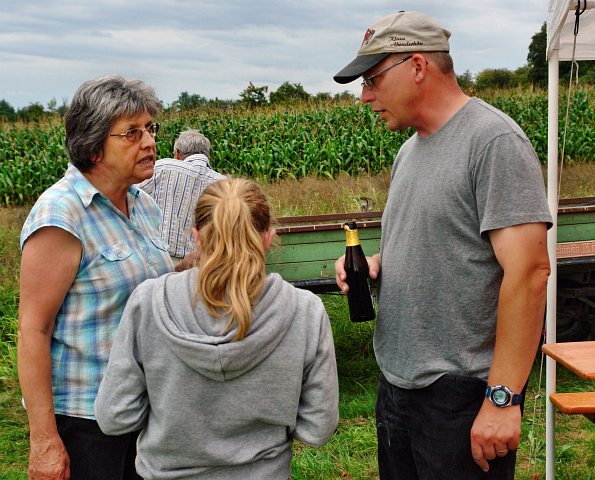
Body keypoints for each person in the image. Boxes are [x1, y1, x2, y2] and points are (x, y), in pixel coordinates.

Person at [333, 11, 552, 479]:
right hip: (398, 386)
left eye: (372, 79)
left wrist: (502, 399)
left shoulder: (492, 142)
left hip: (460, 396)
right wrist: (378, 263)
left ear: (417, 66)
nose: (365, 96)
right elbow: (443, 242)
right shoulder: (409, 151)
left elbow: (530, 272)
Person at [94, 177, 339, 479]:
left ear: (196, 237)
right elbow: (318, 427)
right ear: (267, 238)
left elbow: (115, 416)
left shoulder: (148, 302)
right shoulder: (305, 310)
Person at [18, 75, 174, 480]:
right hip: (87, 421)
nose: (149, 142)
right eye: (132, 133)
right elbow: (34, 330)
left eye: (150, 128)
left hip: (144, 409)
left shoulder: (144, 205)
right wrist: (44, 440)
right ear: (93, 146)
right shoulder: (60, 215)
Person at [138, 129, 224, 265]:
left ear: (177, 153)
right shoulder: (223, 183)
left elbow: (129, 197)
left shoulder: (162, 168)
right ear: (208, 155)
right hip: (202, 263)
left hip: (161, 259)